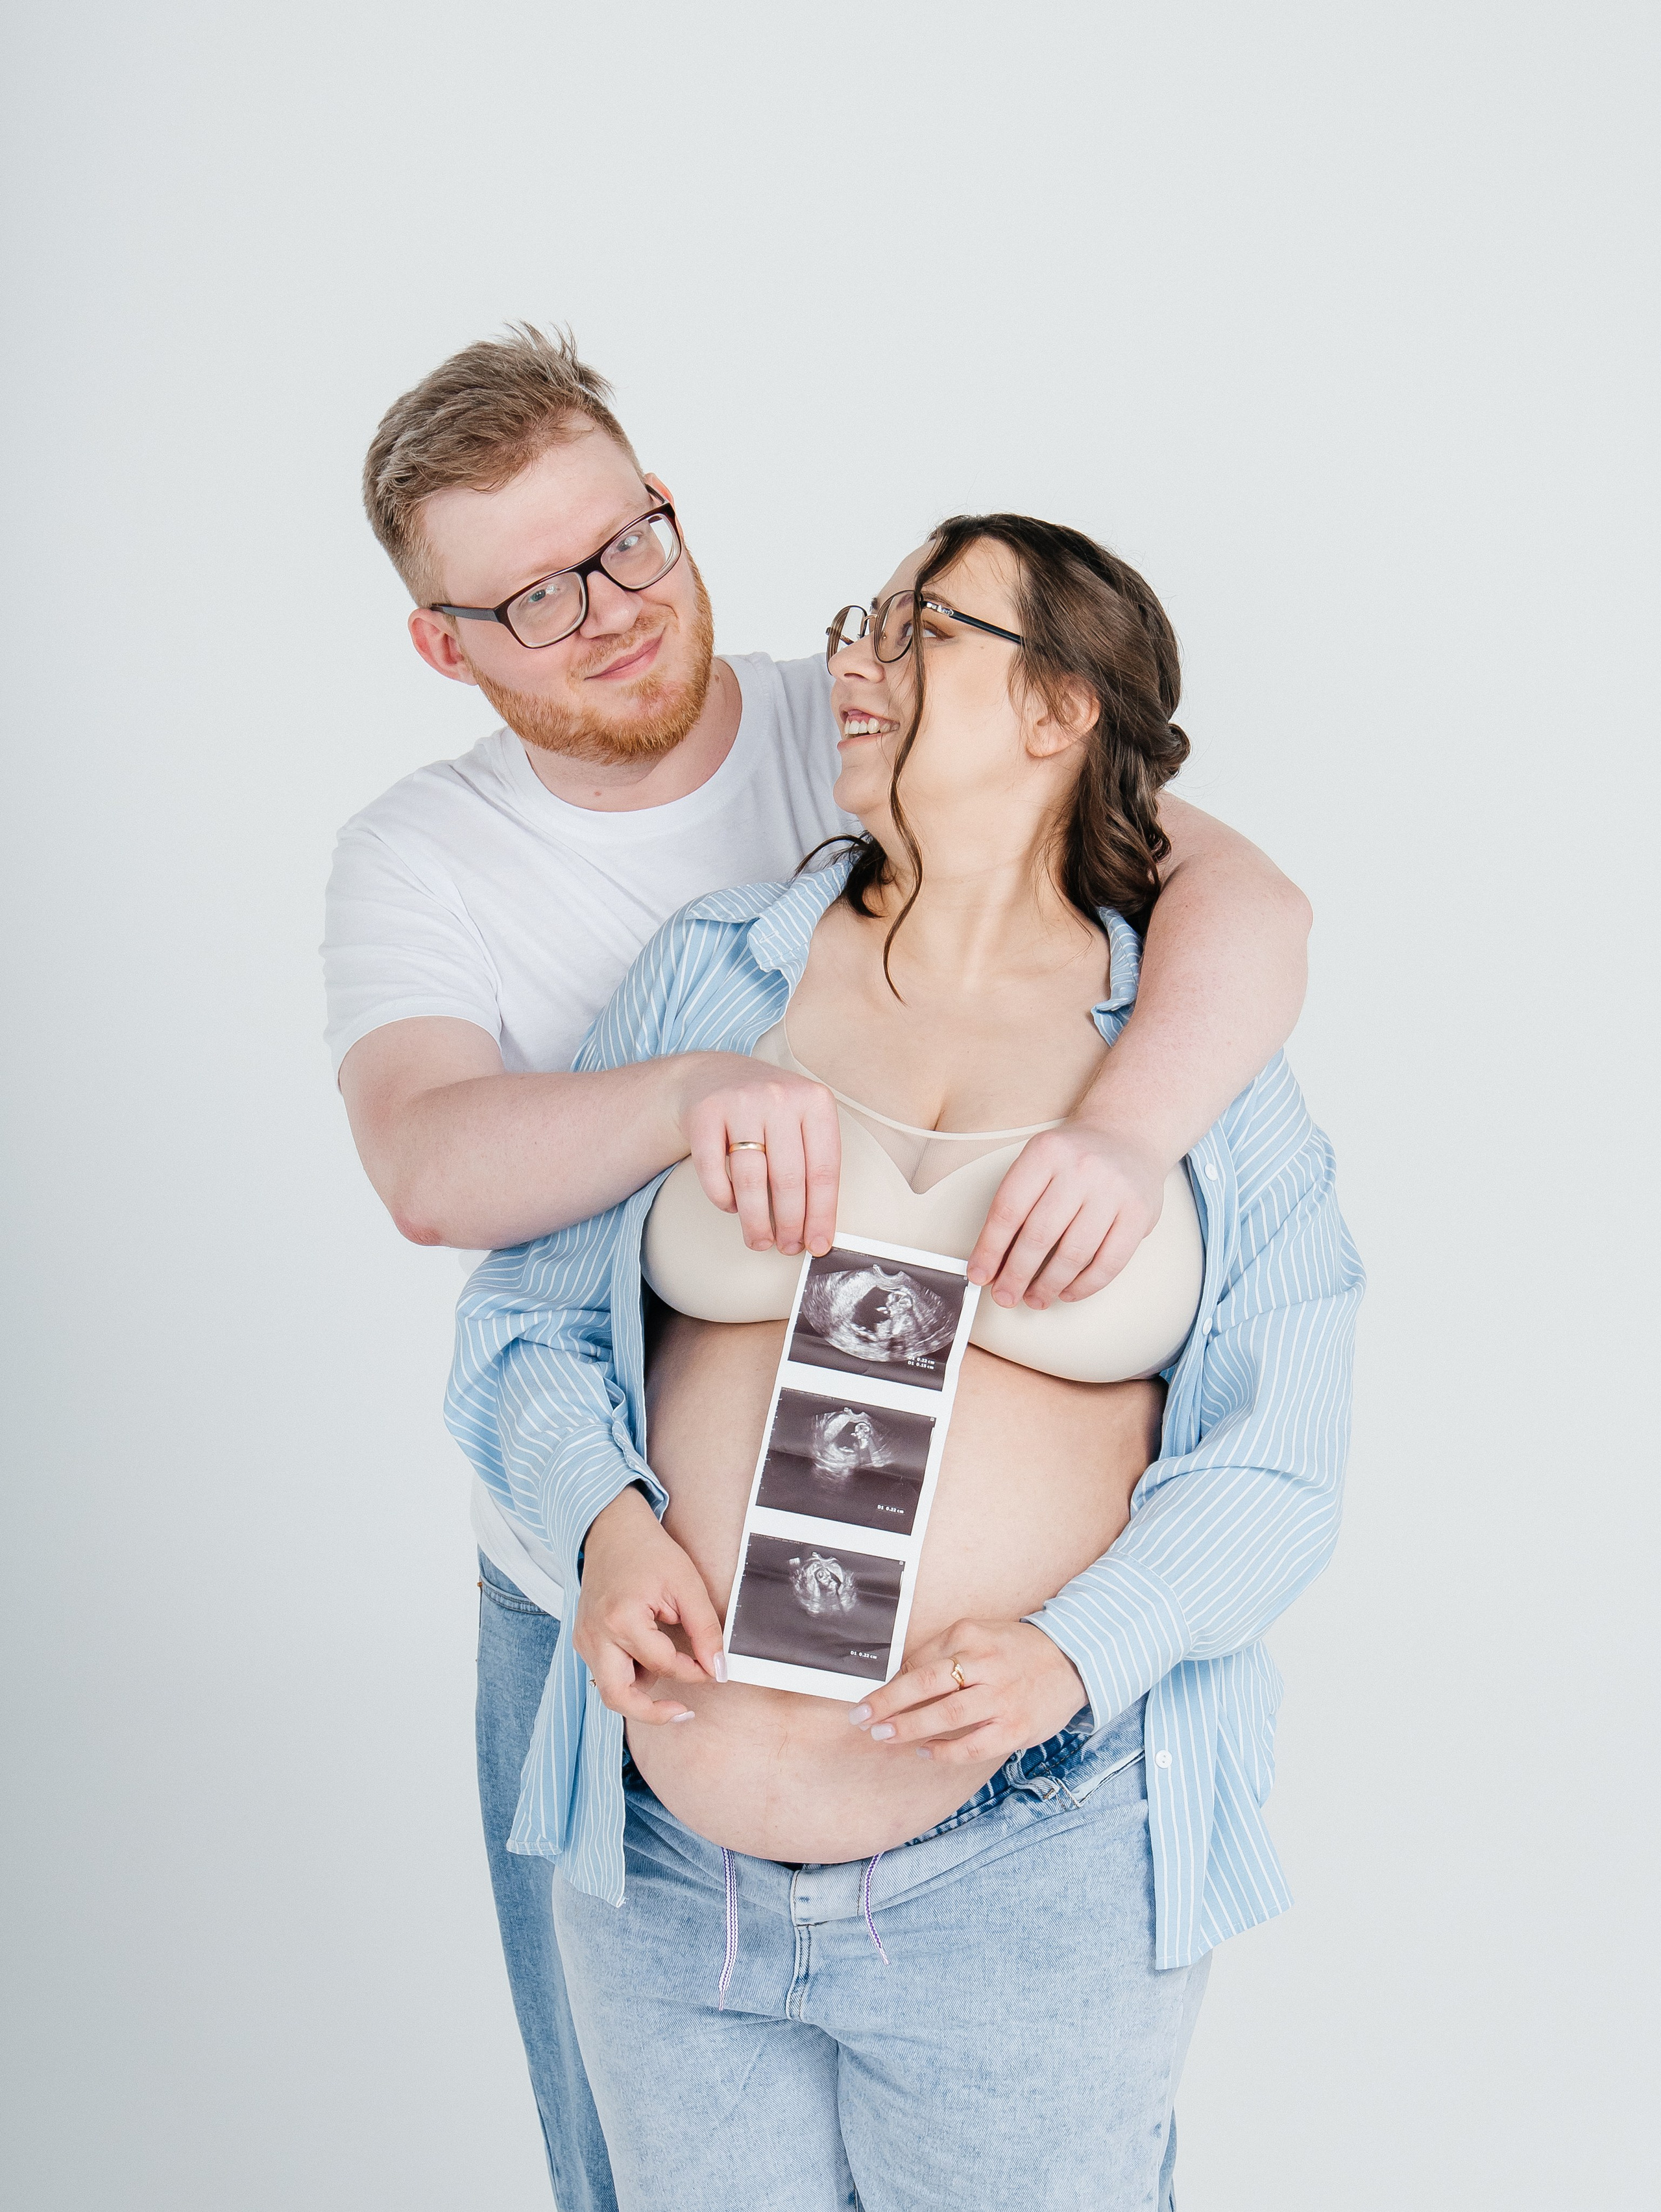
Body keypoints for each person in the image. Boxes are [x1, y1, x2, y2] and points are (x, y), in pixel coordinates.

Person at [324, 326, 1317, 2207]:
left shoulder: (1151, 1004)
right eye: (535, 596)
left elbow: (1286, 1444)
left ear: (1056, 708)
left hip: (1018, 1847)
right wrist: (608, 1516)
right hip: (651, 1797)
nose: (613, 607)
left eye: (631, 542)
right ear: (447, 644)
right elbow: (470, 1232)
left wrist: (1126, 1133)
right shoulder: (675, 949)